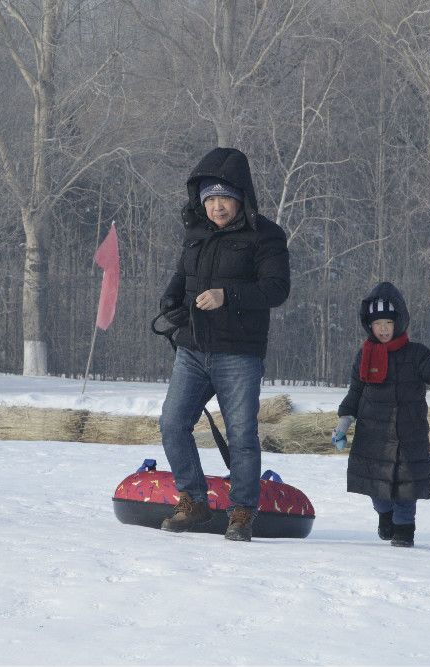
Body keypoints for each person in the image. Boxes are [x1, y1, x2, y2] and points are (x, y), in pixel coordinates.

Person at [157, 147, 290, 542]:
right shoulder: (195, 232)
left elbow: (276, 289)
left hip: (239, 354)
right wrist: (170, 302)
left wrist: (225, 296)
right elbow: (182, 276)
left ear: (240, 198)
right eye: (210, 198)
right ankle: (194, 500)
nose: (217, 206)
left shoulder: (266, 235)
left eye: (225, 198)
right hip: (192, 349)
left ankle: (242, 513)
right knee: (172, 424)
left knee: (242, 434)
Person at [331, 282, 430, 547]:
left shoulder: (416, 354)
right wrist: (343, 425)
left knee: (406, 487)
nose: (384, 329)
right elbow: (354, 393)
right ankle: (385, 514)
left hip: (408, 436)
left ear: (399, 321)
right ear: (370, 325)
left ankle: (404, 527)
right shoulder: (364, 355)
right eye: (378, 324)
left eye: (388, 322)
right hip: (373, 437)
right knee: (376, 488)